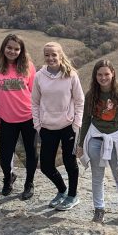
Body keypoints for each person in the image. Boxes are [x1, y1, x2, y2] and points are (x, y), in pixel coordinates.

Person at [77, 58, 118, 223]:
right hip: (96, 139)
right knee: (97, 176)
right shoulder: (91, 95)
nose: (103, 77)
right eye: (99, 74)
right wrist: (80, 144)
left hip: (116, 139)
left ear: (112, 74)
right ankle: (99, 210)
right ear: (95, 76)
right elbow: (86, 121)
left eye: (106, 74)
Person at [32, 41, 84, 210]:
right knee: (46, 165)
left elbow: (79, 101)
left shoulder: (71, 75)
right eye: (47, 55)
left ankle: (73, 195)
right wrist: (38, 125)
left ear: (61, 55)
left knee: (70, 162)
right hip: (47, 127)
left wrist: (76, 123)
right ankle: (62, 190)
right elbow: (34, 102)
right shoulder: (39, 76)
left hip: (68, 126)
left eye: (54, 54)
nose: (50, 58)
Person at [0, 33, 37, 200]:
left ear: (21, 51)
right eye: (9, 48)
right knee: (5, 157)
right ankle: (8, 178)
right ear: (3, 48)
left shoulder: (28, 66)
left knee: (31, 153)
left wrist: (39, 116)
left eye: (16, 49)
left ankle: (29, 183)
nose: (12, 51)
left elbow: (35, 93)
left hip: (29, 117)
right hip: (7, 119)